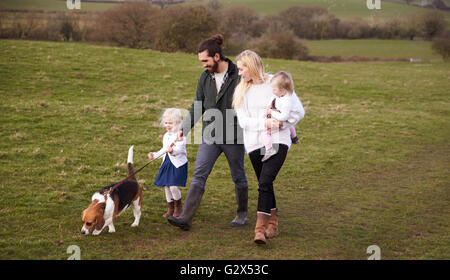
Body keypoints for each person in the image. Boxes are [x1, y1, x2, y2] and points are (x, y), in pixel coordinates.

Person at [167, 34, 249, 231]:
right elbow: (197, 106)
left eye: (205, 60)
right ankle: (185, 218)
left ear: (217, 57)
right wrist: (184, 130)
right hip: (210, 135)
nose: (203, 64)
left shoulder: (239, 75)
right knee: (199, 175)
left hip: (234, 136)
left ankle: (242, 213)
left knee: (238, 176)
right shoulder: (204, 77)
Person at [233, 50, 305, 244]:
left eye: (241, 69)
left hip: (278, 140)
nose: (239, 73)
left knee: (265, 181)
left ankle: (260, 229)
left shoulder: (275, 82)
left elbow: (299, 111)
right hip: (254, 144)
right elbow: (244, 122)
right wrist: (265, 123)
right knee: (265, 183)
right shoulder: (241, 90)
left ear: (252, 66)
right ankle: (272, 221)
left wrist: (282, 124)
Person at [148, 108, 187, 219]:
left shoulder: (180, 136)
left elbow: (181, 149)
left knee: (173, 186)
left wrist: (172, 151)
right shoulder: (166, 135)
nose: (168, 125)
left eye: (170, 123)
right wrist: (155, 155)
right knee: (166, 186)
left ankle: (178, 206)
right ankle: (170, 208)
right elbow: (164, 149)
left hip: (177, 163)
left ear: (178, 123)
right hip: (167, 163)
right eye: (166, 123)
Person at [263, 71, 302, 162]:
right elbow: (272, 100)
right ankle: (294, 138)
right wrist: (269, 106)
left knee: (265, 133)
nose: (273, 91)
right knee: (289, 125)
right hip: (287, 118)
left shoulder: (287, 101)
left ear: (282, 89)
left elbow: (284, 117)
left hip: (283, 119)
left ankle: (269, 150)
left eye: (274, 89)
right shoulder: (282, 95)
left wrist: (271, 112)